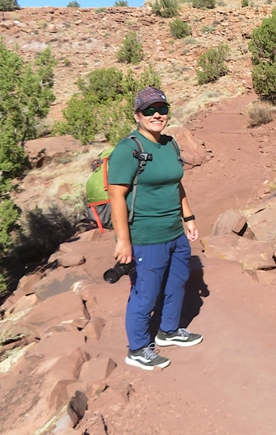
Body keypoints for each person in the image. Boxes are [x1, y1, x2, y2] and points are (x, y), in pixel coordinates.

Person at [108, 86, 203, 370]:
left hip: (175, 230)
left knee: (177, 281)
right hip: (146, 236)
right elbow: (116, 196)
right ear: (138, 115)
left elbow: (176, 183)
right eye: (149, 110)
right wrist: (123, 241)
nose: (157, 115)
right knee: (146, 293)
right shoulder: (129, 149)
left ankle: (168, 331)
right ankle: (137, 349)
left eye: (161, 109)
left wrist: (188, 217)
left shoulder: (170, 144)